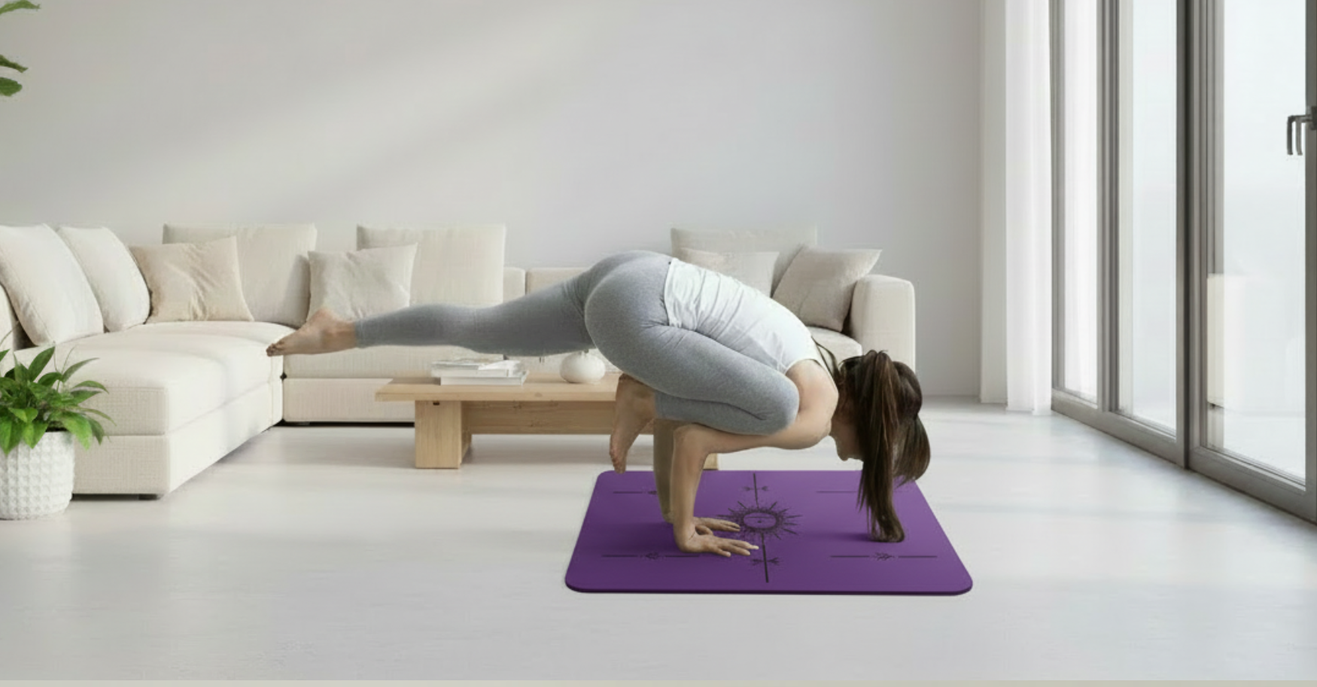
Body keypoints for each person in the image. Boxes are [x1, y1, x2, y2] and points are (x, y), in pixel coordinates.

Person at [267, 250, 930, 557]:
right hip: (636, 311)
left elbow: (689, 421)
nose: (859, 461)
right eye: (878, 452)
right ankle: (638, 390)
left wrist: (673, 509)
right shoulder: (808, 415)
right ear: (871, 425)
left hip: (633, 273)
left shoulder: (810, 355)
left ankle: (340, 331)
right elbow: (695, 438)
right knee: (762, 407)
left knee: (482, 328)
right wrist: (683, 531)